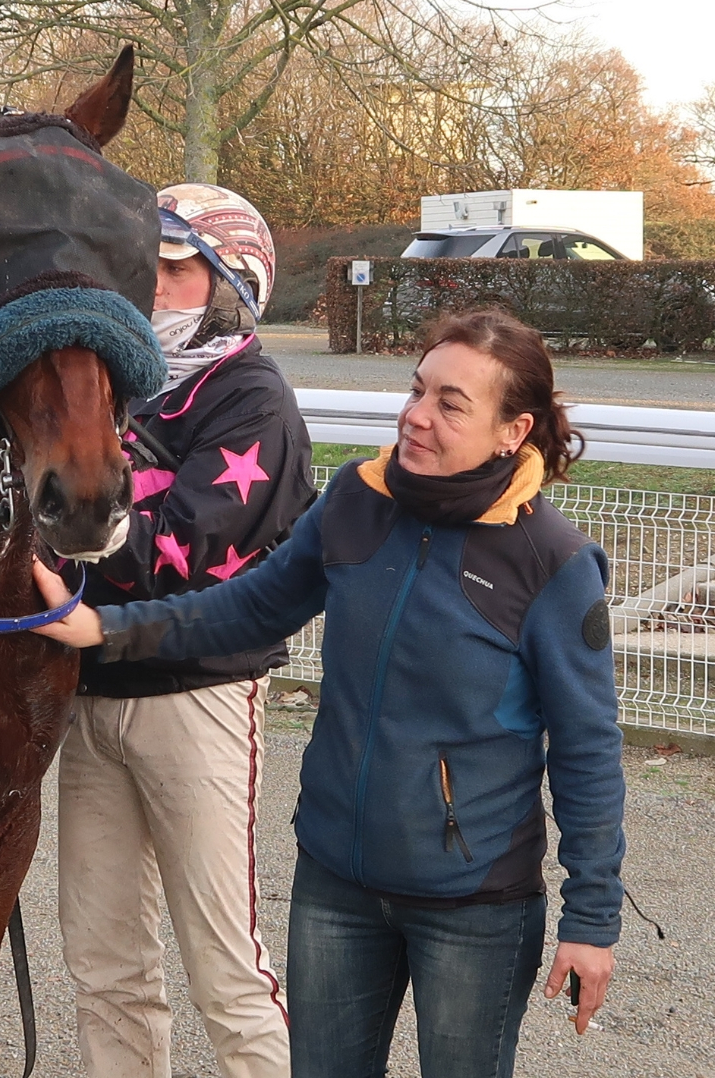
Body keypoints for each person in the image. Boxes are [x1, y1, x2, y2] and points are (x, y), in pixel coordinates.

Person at [33, 308, 626, 1078]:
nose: (416, 416)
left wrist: (592, 920)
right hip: (335, 887)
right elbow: (248, 605)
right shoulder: (357, 499)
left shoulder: (553, 562)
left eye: (451, 404)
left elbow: (587, 751)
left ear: (513, 431)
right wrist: (103, 630)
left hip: (476, 905)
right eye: (418, 390)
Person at [52, 183, 310, 1078]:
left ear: (229, 284)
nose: (147, 286)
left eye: (172, 268)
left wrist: (57, 553)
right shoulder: (102, 387)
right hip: (92, 700)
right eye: (140, 266)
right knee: (103, 964)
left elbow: (186, 553)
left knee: (226, 970)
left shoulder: (254, 400)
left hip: (196, 696)